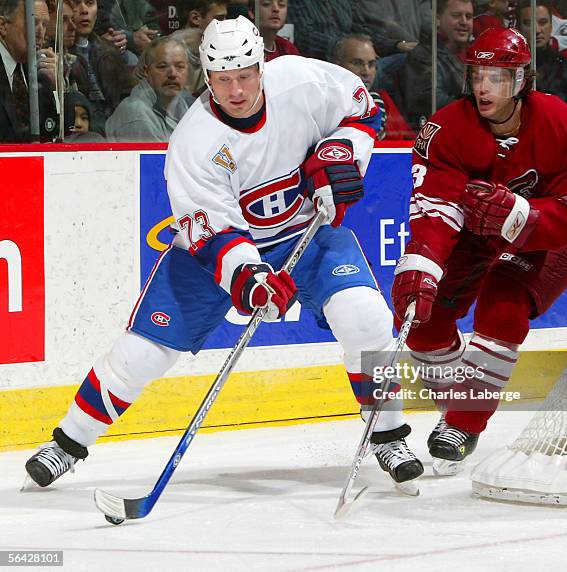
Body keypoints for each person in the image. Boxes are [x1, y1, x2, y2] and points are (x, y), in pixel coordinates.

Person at [25, 16, 424, 490]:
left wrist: (341, 152)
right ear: (206, 77)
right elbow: (215, 235)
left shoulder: (303, 81)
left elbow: (364, 112)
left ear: (262, 65)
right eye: (222, 79)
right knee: (142, 354)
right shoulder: (195, 143)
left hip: (303, 233)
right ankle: (67, 443)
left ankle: (387, 434)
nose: (235, 90)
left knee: (367, 318)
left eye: (245, 76)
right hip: (221, 252)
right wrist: (251, 278)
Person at [391, 27, 567, 468]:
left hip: (551, 236)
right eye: (478, 75)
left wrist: (520, 216)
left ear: (521, 81)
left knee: (502, 305)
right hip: (476, 230)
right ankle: (456, 409)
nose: (484, 87)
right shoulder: (443, 130)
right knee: (420, 317)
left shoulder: (562, 124)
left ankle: (465, 422)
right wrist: (421, 264)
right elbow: (434, 209)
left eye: (498, 77)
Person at [398, 0, 474, 130]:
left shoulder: (474, 56)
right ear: (437, 19)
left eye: (468, 17)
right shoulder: (424, 56)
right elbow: (431, 103)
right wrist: (477, 108)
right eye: (456, 15)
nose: (464, 22)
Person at [105, 37, 192, 141]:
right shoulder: (136, 113)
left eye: (179, 66)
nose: (172, 74)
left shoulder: (186, 107)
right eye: (163, 66)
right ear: (146, 71)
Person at [333, 34, 415, 140]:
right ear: (337, 66)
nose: (366, 72)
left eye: (371, 64)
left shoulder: (381, 101)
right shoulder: (325, 104)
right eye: (357, 63)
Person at [0, 0, 59, 141]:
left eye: (44, 24)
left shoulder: (40, 73)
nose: (40, 33)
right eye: (33, 22)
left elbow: (53, 133)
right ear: (2, 26)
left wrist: (57, 90)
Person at [70, 0, 132, 134]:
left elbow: (126, 99)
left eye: (90, 3)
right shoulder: (56, 54)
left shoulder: (109, 51)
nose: (84, 10)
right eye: (76, 4)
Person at [517, 0, 567, 106]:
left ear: (551, 27)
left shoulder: (562, 64)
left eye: (543, 22)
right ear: (518, 28)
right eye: (528, 23)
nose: (537, 30)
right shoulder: (511, 64)